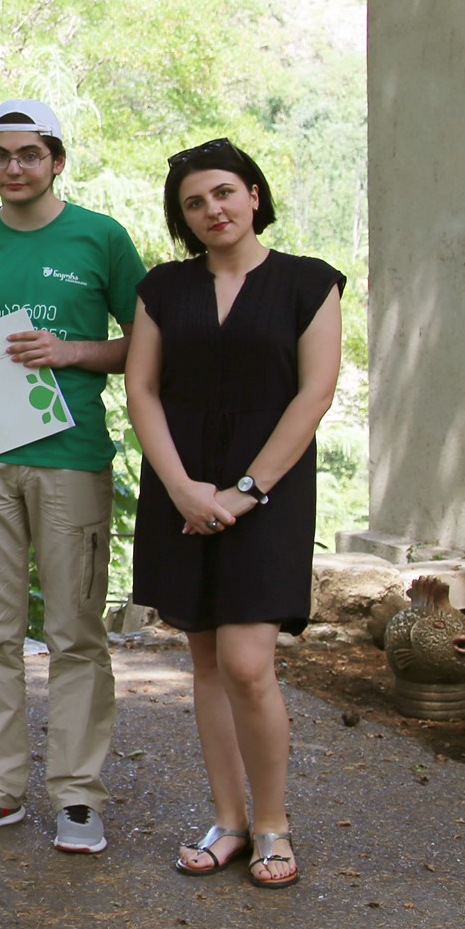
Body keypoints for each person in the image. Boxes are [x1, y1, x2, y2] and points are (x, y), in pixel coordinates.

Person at [0, 99, 145, 853]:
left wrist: (73, 351)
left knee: (76, 633)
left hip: (71, 460)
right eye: (0, 154)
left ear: (56, 159)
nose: (14, 167)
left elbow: (145, 346)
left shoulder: (100, 237)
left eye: (29, 153)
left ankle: (79, 795)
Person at [127, 139, 341, 890]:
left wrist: (245, 491)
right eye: (194, 201)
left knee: (250, 664)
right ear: (182, 217)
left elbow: (314, 394)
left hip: (269, 496)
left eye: (223, 192)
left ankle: (274, 823)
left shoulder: (308, 284)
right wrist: (185, 488)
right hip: (181, 493)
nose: (211, 209)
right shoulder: (162, 287)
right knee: (208, 660)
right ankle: (228, 819)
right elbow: (142, 390)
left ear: (253, 194)